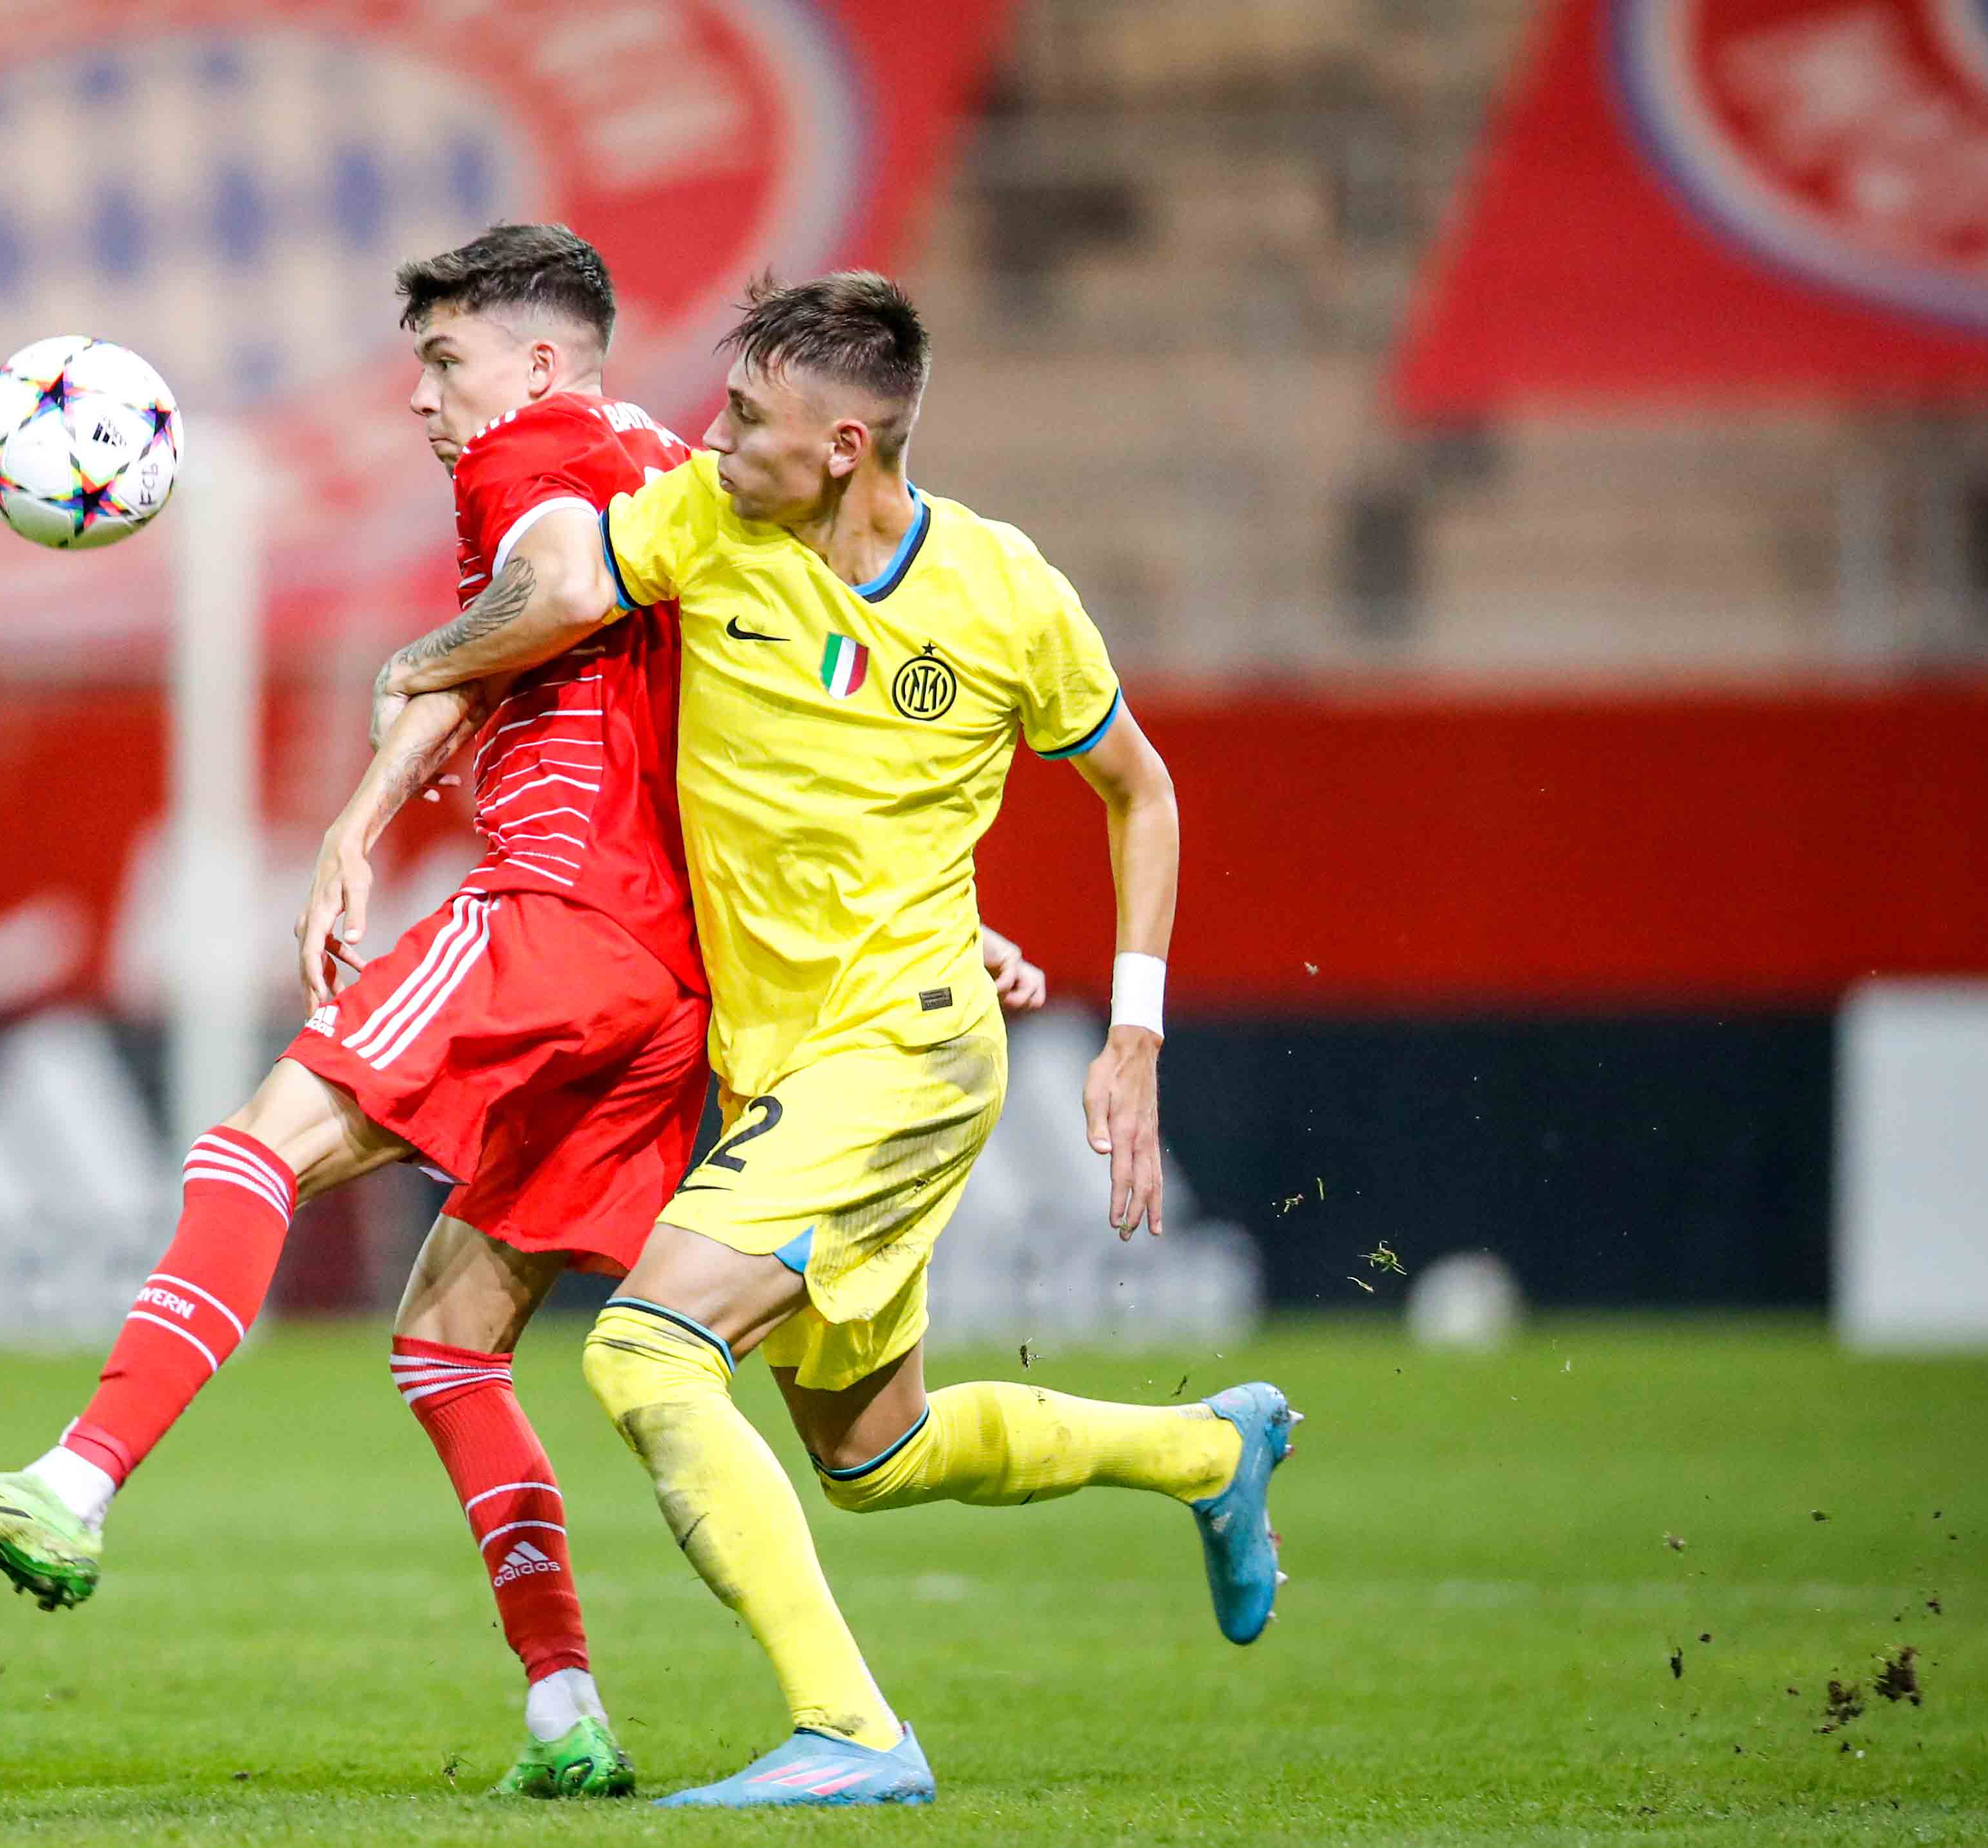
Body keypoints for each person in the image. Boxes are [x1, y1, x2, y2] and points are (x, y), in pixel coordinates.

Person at [0, 224, 1060, 1797]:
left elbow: (550, 587)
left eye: (445, 360)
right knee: (448, 1342)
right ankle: (567, 1712)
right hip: (669, 995)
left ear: (541, 359)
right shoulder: (679, 474)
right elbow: (804, 711)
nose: (428, 400)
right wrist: (946, 921)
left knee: (249, 1151)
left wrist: (387, 737)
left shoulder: (534, 448)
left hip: (555, 917)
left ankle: (73, 1484)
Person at [373, 270, 1299, 1808]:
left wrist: (1134, 1034)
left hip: (907, 1052)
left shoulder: (1005, 596)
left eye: (747, 419)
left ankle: (856, 1732)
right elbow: (553, 597)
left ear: (849, 445)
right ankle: (1210, 1454)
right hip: (778, 1065)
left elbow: (1141, 787)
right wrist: (421, 663)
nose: (716, 437)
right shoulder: (703, 526)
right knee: (877, 1455)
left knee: (649, 1354)